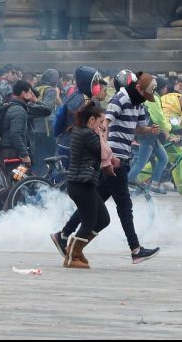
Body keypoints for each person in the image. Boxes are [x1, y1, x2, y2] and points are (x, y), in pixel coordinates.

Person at [51, 72, 161, 264]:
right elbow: (105, 124)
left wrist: (149, 130)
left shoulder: (139, 103)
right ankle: (135, 249)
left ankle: (63, 234)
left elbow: (137, 128)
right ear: (138, 88)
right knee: (124, 205)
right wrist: (106, 154)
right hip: (114, 158)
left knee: (97, 200)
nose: (146, 98)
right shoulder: (120, 99)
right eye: (145, 94)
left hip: (122, 157)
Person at [60, 101, 112, 269]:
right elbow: (104, 152)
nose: (103, 125)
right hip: (81, 184)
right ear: (91, 121)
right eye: (101, 122)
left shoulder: (81, 132)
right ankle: (72, 256)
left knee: (103, 219)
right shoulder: (88, 135)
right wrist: (103, 134)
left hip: (83, 183)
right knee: (89, 222)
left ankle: (75, 249)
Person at [128, 77, 174, 195]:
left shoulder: (152, 96)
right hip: (148, 134)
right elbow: (158, 117)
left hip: (153, 135)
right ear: (163, 88)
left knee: (163, 158)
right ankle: (126, 184)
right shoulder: (154, 98)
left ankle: (153, 185)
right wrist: (167, 127)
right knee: (141, 162)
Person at [32, 69, 62, 173]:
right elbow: (47, 108)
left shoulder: (36, 88)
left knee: (39, 155)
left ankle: (37, 179)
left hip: (35, 129)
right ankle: (48, 178)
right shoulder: (51, 90)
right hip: (47, 129)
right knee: (50, 155)